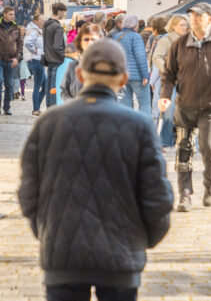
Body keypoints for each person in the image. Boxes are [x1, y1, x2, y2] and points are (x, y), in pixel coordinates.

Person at [19, 38, 173, 301]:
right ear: (123, 79)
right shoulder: (139, 126)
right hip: (121, 256)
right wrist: (141, 241)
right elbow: (157, 197)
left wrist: (46, 231)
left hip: (63, 253)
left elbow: (28, 194)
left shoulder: (49, 123)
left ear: (80, 73)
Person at [158, 2, 211, 211]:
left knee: (208, 147)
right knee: (183, 149)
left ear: (210, 19)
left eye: (199, 16)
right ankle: (184, 194)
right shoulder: (180, 44)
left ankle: (210, 186)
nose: (194, 19)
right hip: (185, 106)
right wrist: (165, 96)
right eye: (192, 16)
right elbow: (168, 75)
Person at [153, 15, 186, 148]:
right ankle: (164, 140)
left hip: (186, 79)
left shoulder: (189, 40)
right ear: (173, 26)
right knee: (168, 109)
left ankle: (184, 138)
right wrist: (167, 70)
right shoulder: (166, 40)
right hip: (170, 80)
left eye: (185, 25)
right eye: (181, 25)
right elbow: (156, 57)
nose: (185, 27)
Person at [0, 5, 23, 116]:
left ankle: (7, 107)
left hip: (11, 60)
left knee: (9, 84)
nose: (13, 16)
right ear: (5, 14)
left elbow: (20, 43)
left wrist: (16, 57)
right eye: (10, 14)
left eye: (13, 15)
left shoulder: (16, 27)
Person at [111, 13, 150, 115]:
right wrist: (145, 75)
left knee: (125, 104)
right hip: (137, 76)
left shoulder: (116, 37)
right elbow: (140, 57)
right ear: (134, 25)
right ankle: (144, 127)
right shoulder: (136, 37)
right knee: (144, 103)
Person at [60, 23, 103, 101]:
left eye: (93, 39)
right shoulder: (72, 66)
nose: (90, 43)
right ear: (80, 42)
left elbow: (118, 91)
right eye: (86, 39)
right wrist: (72, 103)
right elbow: (64, 91)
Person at [42, 3, 67, 108]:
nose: (64, 14)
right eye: (64, 12)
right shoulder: (56, 26)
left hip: (48, 59)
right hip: (56, 60)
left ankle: (49, 108)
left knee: (49, 87)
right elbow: (57, 46)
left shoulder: (46, 24)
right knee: (55, 88)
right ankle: (53, 110)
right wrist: (63, 57)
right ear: (59, 11)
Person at [24, 13, 46, 116]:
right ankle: (35, 109)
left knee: (45, 86)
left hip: (40, 59)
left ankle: (37, 107)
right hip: (36, 60)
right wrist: (34, 50)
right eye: (42, 20)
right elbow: (28, 43)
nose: (43, 22)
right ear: (36, 21)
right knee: (37, 86)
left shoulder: (38, 30)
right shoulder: (34, 31)